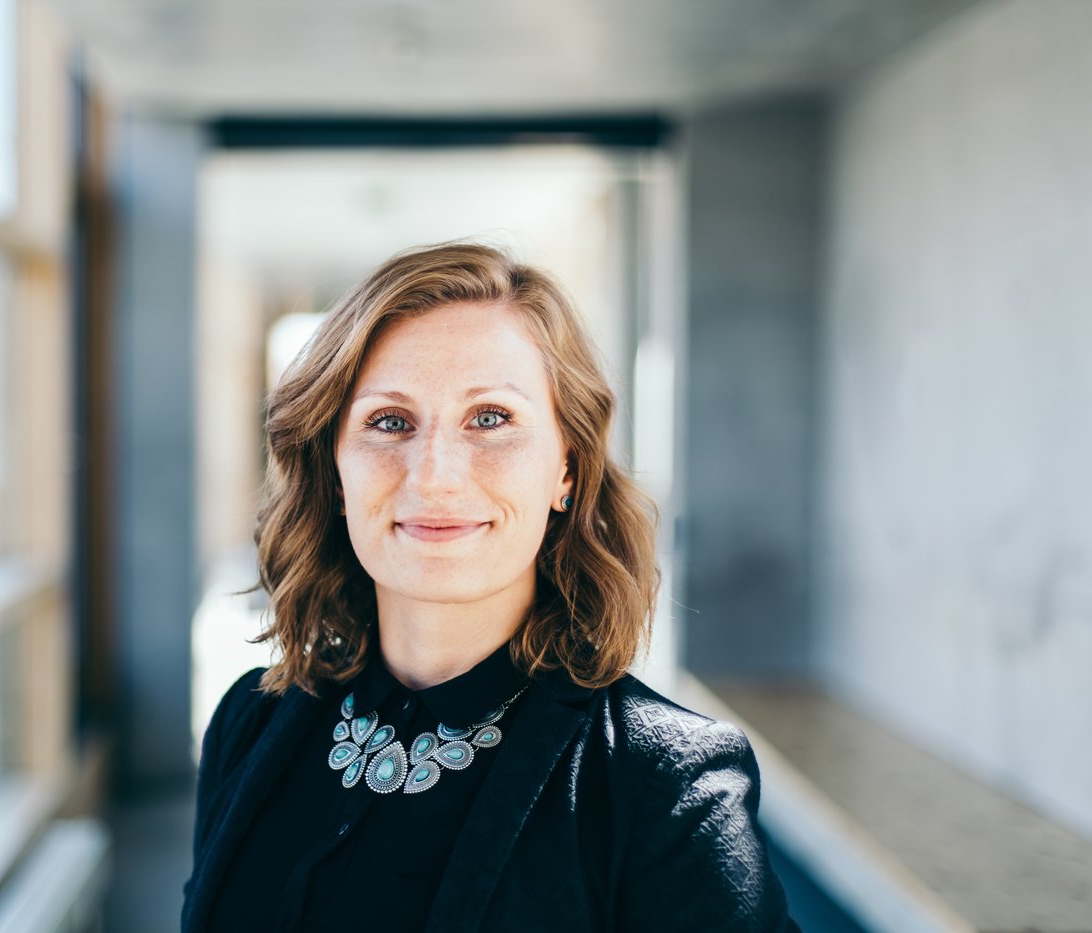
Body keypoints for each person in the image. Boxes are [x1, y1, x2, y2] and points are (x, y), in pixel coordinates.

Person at [181, 242, 799, 932]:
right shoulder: (248, 723)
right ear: (333, 471)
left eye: (491, 418)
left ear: (567, 466)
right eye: (390, 422)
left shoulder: (664, 785)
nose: (435, 475)